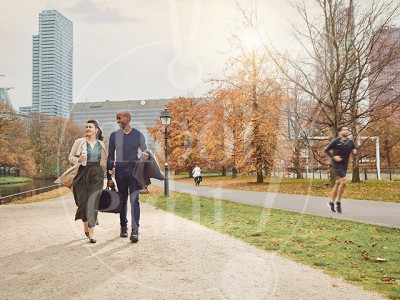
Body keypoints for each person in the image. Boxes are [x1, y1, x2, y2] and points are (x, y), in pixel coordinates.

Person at [55, 120, 107, 243]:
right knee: (83, 202)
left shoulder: (101, 144)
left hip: (97, 174)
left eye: (90, 127)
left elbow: (105, 162)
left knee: (93, 202)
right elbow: (70, 157)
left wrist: (109, 173)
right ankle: (85, 224)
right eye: (86, 127)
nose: (88, 129)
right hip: (82, 173)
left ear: (96, 129)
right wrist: (78, 159)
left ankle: (92, 231)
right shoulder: (79, 142)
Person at [107, 110, 149, 243]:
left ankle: (135, 230)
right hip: (119, 170)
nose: (118, 121)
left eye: (119, 118)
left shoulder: (138, 135)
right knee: (122, 199)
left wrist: (146, 158)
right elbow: (110, 157)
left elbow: (145, 152)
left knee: (134, 200)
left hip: (134, 170)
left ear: (128, 118)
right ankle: (123, 227)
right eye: (116, 118)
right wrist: (108, 177)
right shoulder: (114, 136)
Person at [324, 126, 357, 213]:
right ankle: (338, 202)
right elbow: (326, 150)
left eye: (347, 130)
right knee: (344, 181)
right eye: (344, 130)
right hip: (337, 164)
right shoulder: (336, 141)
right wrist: (333, 157)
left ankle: (331, 202)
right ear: (340, 132)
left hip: (344, 165)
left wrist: (354, 151)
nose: (346, 131)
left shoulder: (350, 142)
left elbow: (354, 149)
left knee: (338, 183)